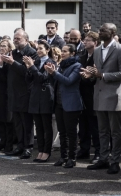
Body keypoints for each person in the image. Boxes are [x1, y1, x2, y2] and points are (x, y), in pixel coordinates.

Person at [81, 23, 121, 174]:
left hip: (114, 95)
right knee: (102, 130)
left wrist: (102, 75)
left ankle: (115, 161)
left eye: (104, 29)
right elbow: (97, 72)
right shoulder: (97, 51)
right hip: (98, 94)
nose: (100, 31)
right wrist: (90, 75)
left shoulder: (119, 49)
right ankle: (103, 158)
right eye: (100, 29)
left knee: (115, 132)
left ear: (112, 32)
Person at [1, 29, 38, 159]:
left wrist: (12, 62)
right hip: (13, 93)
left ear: (26, 40)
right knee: (17, 122)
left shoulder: (32, 53)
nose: (15, 40)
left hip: (25, 93)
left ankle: (28, 147)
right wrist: (0, 64)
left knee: (26, 122)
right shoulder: (13, 53)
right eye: (14, 38)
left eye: (18, 38)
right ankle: (20, 146)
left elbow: (27, 73)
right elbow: (7, 72)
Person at [45, 44, 83, 168]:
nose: (62, 53)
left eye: (65, 51)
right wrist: (51, 73)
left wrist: (54, 73)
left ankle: (72, 158)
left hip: (71, 104)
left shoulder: (77, 66)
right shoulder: (61, 65)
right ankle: (63, 157)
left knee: (71, 133)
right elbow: (56, 82)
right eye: (62, 50)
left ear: (72, 53)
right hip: (59, 103)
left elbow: (68, 81)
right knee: (62, 132)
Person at [25, 40, 55, 162]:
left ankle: (46, 151)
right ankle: (40, 150)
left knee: (46, 126)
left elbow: (43, 78)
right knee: (39, 126)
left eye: (41, 48)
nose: (38, 51)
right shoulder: (36, 61)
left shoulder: (51, 62)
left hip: (45, 96)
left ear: (47, 50)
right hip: (35, 96)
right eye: (37, 49)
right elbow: (29, 79)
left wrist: (32, 67)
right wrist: (29, 68)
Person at [77, 31, 100, 162]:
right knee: (83, 123)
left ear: (95, 42)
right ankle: (84, 149)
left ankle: (98, 152)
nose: (84, 42)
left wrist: (89, 77)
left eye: (88, 40)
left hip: (94, 94)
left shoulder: (99, 56)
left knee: (95, 125)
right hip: (82, 94)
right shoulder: (82, 55)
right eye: (84, 39)